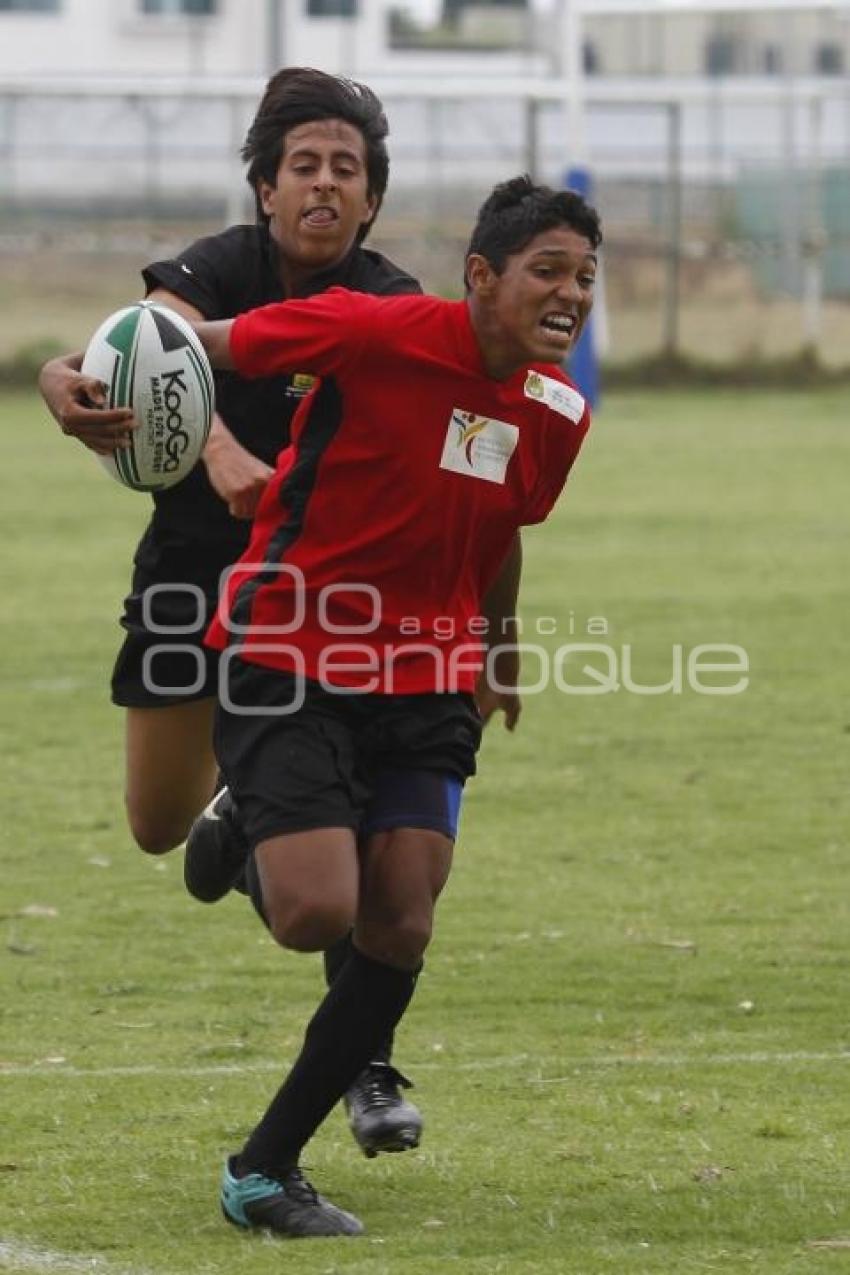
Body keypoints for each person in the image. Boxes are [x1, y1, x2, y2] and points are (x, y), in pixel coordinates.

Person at [187, 173, 601, 1239]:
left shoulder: (559, 410)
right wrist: (79, 367)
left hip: (425, 671)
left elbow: (499, 528)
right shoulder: (371, 332)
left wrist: (497, 650)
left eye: (586, 278)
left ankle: (262, 1170)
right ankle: (248, 826)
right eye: (547, 271)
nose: (571, 295)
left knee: (401, 919)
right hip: (287, 646)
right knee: (314, 913)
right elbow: (184, 347)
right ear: (480, 275)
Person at [37, 66, 429, 1159]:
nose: (322, 184)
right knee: (160, 824)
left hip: (319, 604)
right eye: (302, 165)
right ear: (265, 188)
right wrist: (72, 379)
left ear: (371, 200)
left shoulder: (391, 306)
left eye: (345, 170)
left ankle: (364, 1061)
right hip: (190, 579)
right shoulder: (222, 267)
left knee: (341, 834)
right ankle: (232, 816)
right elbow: (143, 338)